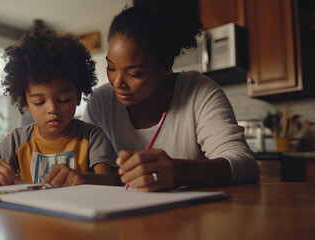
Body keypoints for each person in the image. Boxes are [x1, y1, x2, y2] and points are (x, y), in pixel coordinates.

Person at [82, 0, 260, 192]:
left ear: (165, 66)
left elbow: (247, 165)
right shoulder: (100, 103)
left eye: (134, 74)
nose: (117, 82)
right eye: (111, 67)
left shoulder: (198, 92)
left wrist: (180, 171)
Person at [0, 29, 118, 187]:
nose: (52, 109)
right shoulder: (17, 140)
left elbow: (110, 181)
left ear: (78, 96)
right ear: (26, 103)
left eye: (64, 99)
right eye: (39, 102)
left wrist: (83, 178)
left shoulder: (92, 137)